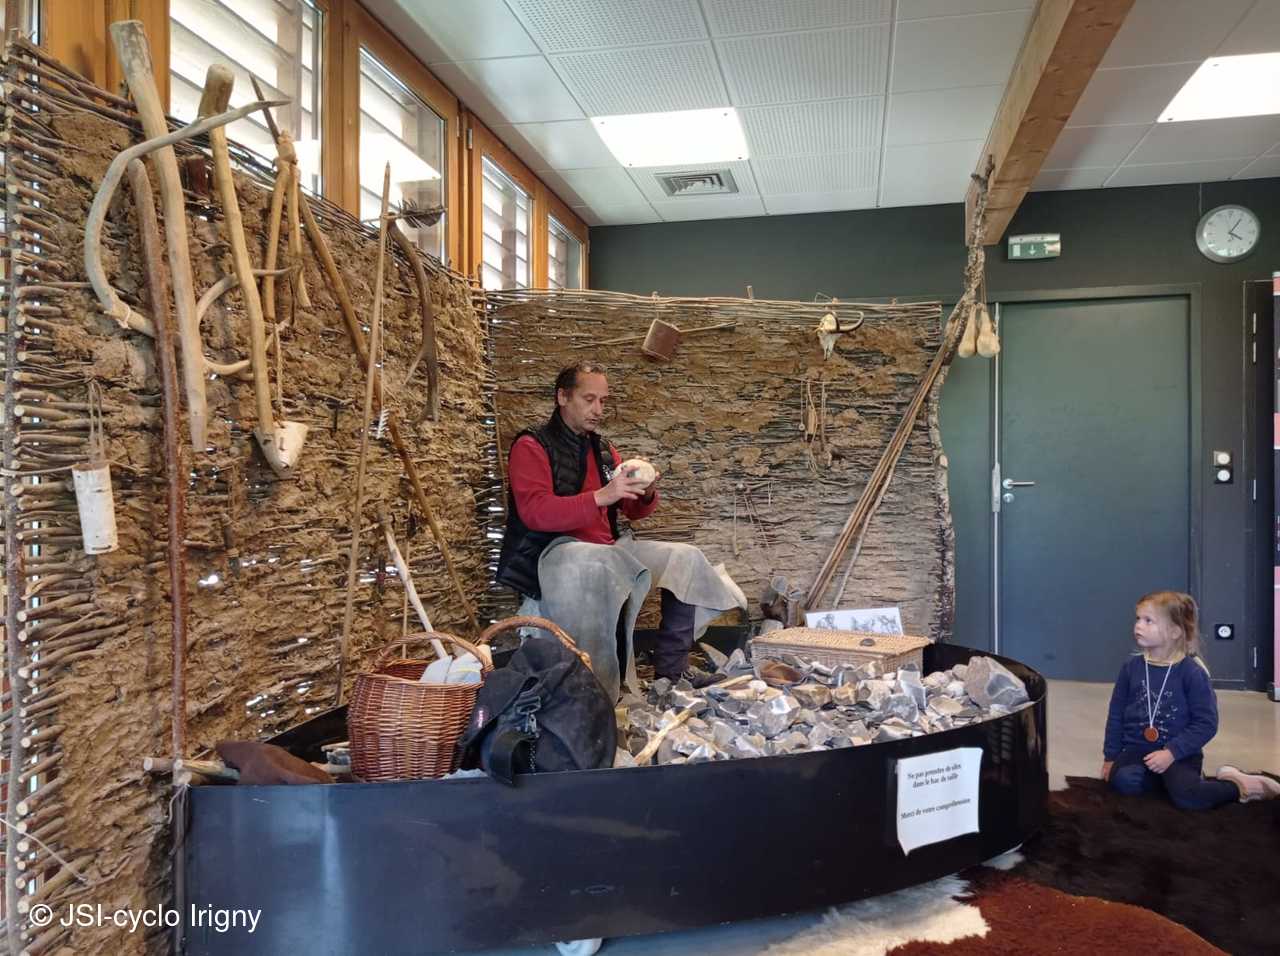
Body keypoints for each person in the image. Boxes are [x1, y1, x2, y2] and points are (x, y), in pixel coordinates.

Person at [496, 362, 746, 699]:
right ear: (562, 397)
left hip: (608, 549)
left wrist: (646, 491)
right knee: (605, 561)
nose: (598, 410)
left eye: (603, 401)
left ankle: (673, 671)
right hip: (553, 553)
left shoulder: (602, 450)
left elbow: (632, 510)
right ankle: (597, 690)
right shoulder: (532, 445)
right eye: (589, 399)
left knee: (684, 557)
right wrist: (601, 496)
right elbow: (535, 513)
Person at [1100, 590, 1279, 808]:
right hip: (1136, 750)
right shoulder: (1131, 667)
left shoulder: (1192, 673)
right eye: (1138, 619)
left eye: (1148, 621)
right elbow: (1116, 713)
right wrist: (1110, 757)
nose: (1138, 625)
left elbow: (1206, 723)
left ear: (1175, 632)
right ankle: (1166, 782)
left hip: (1179, 754)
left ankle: (1239, 785)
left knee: (1188, 797)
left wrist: (1171, 753)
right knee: (1125, 782)